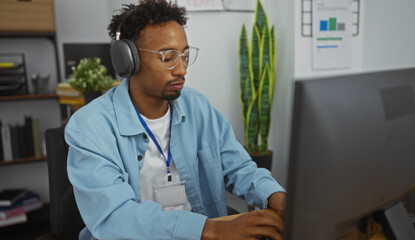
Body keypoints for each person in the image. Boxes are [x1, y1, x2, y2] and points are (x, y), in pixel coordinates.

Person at [65, 0, 286, 239]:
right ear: (129, 60)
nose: (182, 69)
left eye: (185, 55)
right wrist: (212, 229)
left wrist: (279, 198)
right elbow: (116, 217)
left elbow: (240, 168)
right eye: (168, 57)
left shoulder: (198, 107)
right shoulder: (90, 128)